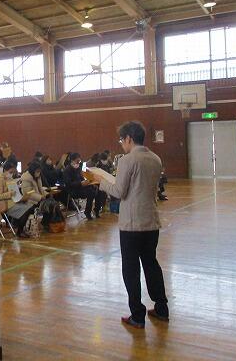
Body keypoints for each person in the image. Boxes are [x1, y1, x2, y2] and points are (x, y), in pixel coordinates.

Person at [92, 121, 168, 329]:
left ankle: (137, 315)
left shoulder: (128, 160)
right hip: (151, 221)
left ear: (128, 138)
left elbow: (119, 192)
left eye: (121, 140)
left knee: (131, 269)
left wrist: (100, 181)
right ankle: (162, 308)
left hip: (132, 224)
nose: (121, 144)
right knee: (151, 264)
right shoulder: (155, 158)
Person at [63, 153, 104, 220]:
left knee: (99, 190)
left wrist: (90, 183)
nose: (78, 163)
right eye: (77, 161)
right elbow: (68, 184)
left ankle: (96, 210)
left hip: (81, 187)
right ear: (72, 160)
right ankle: (87, 212)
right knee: (91, 192)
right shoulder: (67, 170)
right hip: (73, 190)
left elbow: (82, 179)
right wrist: (80, 183)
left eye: (79, 161)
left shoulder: (78, 168)